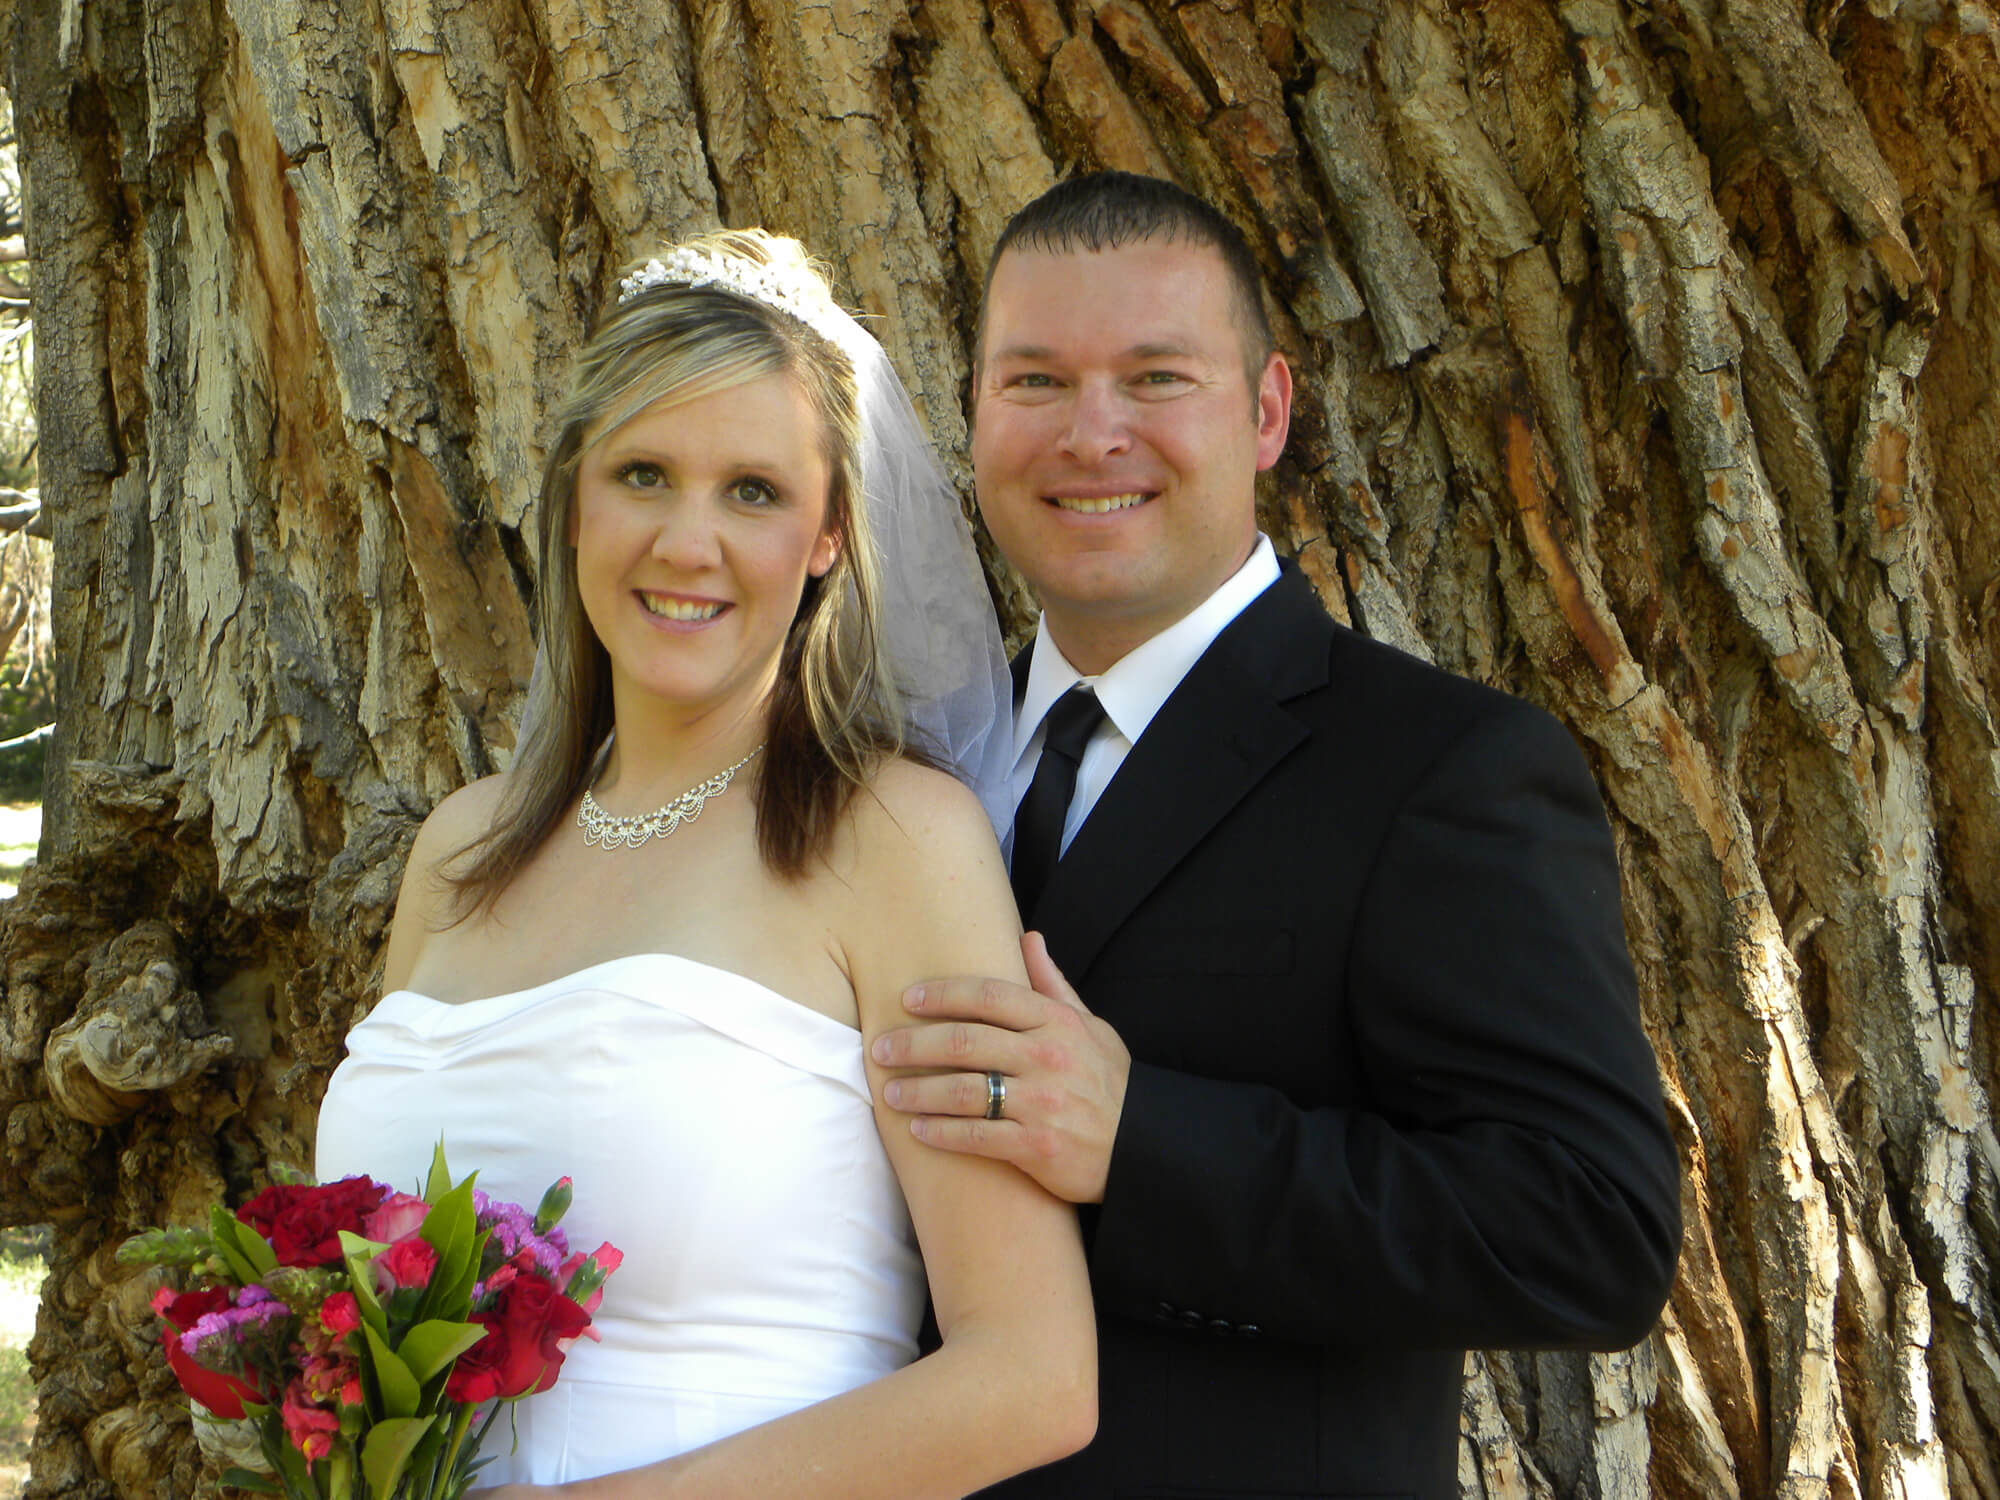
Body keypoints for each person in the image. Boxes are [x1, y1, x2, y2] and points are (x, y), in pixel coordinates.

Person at [872, 172, 1683, 1499]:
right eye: (1034, 383)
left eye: (1154, 378)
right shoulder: (901, 775)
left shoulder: (1442, 770)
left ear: (1265, 411)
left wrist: (1140, 1140)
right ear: (973, 416)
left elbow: (1589, 1229)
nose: (1092, 433)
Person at [314, 228, 1096, 1496]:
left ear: (829, 534)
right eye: (643, 474)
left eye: (752, 492)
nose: (689, 543)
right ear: (574, 501)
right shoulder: (462, 849)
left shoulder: (893, 843)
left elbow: (1030, 1377)